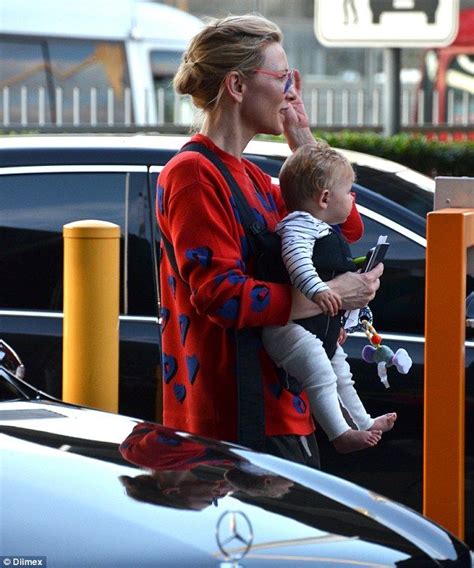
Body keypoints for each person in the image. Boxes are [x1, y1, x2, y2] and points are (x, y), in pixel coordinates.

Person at [156, 13, 383, 468]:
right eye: (282, 77)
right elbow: (221, 297)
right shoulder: (194, 176)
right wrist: (329, 297)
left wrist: (303, 142)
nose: (290, 91)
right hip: (235, 425)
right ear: (237, 86)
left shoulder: (256, 179)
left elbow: (341, 222)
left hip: (277, 412)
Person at [262, 143, 397, 454]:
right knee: (321, 371)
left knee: (341, 373)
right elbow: (298, 261)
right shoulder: (299, 224)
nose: (352, 199)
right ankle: (339, 434)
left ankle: (362, 421)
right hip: (286, 329)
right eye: (349, 191)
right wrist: (321, 291)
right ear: (324, 198)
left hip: (314, 324)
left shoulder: (322, 228)